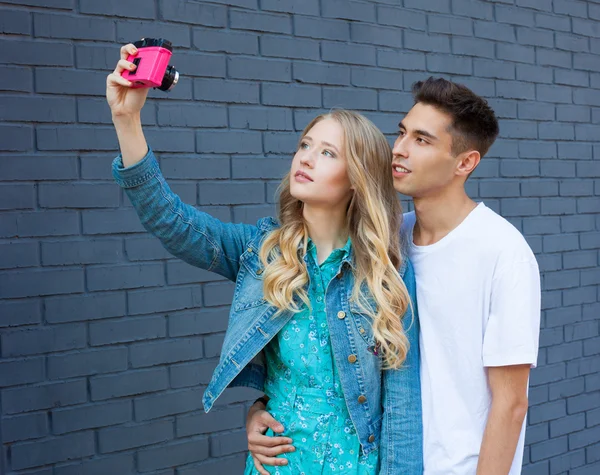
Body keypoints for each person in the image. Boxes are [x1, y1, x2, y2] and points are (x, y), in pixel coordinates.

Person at [106, 43, 423, 474]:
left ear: (357, 179)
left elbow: (402, 412)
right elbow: (172, 222)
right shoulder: (264, 253)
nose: (306, 158)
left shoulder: (387, 274)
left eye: (328, 153)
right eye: (305, 145)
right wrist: (127, 119)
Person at [247, 77, 541, 475]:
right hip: (385, 462)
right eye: (401, 133)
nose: (398, 150)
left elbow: (511, 404)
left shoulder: (503, 252)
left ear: (465, 162)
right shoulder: (385, 242)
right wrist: (262, 407)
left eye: (422, 140)